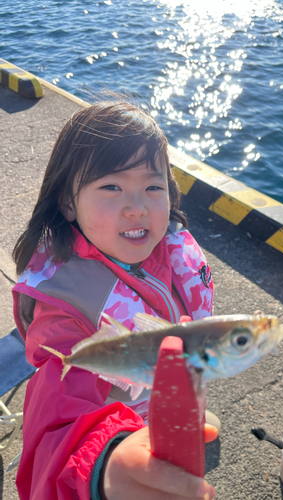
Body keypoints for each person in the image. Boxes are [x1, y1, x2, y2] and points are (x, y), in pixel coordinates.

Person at [12, 98, 216, 500]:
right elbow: (57, 420)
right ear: (68, 203)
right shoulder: (66, 309)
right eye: (111, 187)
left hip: (171, 398)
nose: (137, 208)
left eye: (153, 187)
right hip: (122, 430)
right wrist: (104, 464)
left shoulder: (171, 250)